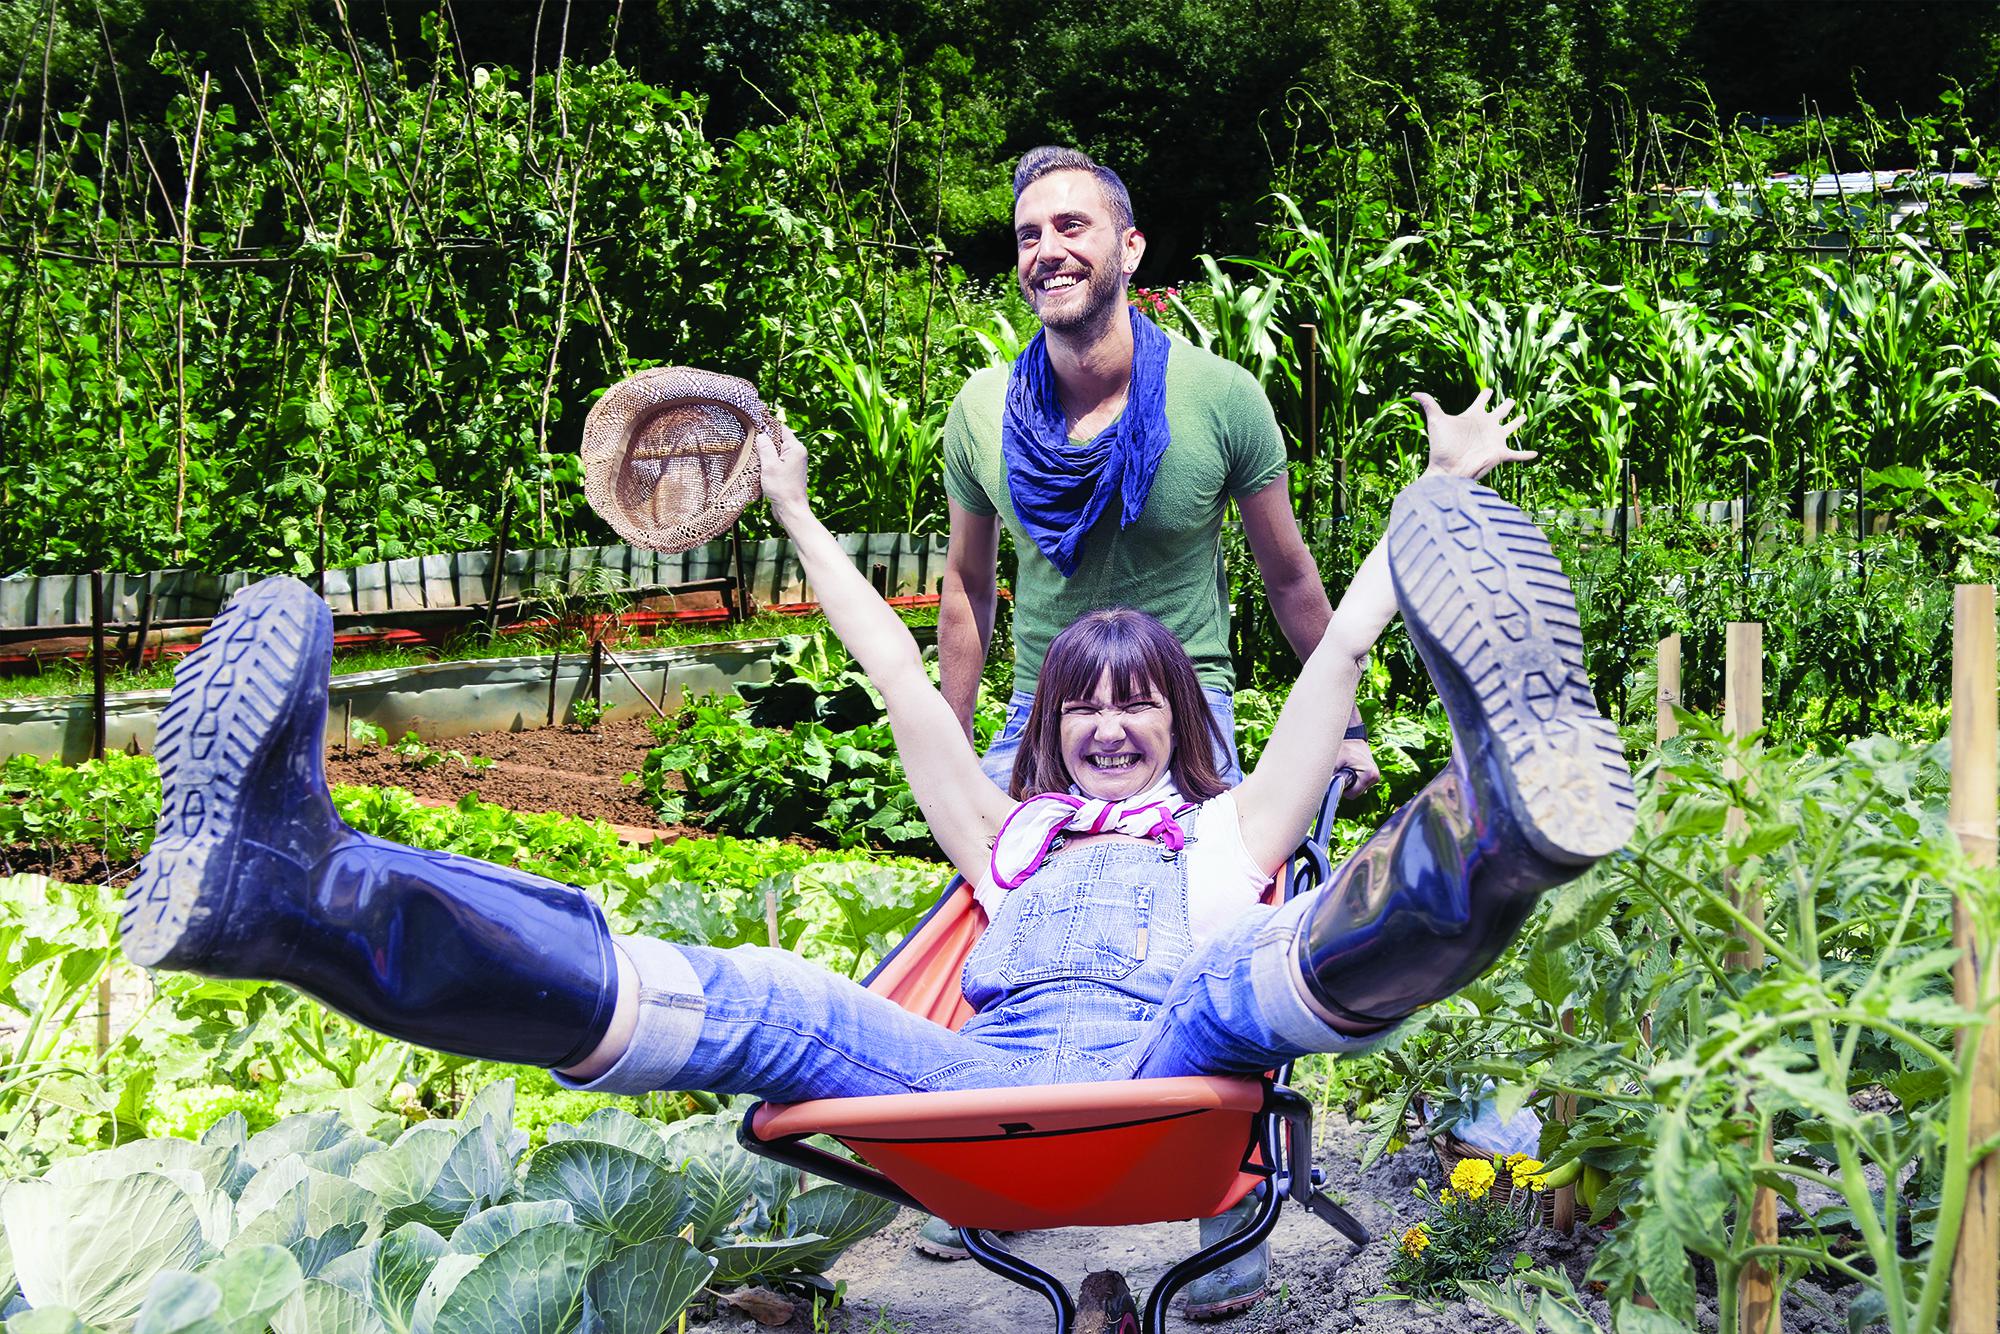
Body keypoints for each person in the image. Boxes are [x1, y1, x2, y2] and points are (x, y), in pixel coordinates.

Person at [121, 406, 1633, 1314]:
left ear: (1182, 725)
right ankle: (294, 892)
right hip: (982, 1090)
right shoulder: (1005, 831)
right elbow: (897, 671)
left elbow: (1338, 652)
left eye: (1141, 706)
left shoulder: (1232, 826)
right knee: (773, 990)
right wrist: (786, 502)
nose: (1111, 729)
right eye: (1084, 705)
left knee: (1255, 966)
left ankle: (1501, 826)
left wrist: (1435, 501)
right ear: (1054, 732)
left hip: (1178, 1057)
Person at [939, 147, 1379, 805]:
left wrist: (1348, 728)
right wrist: (952, 745)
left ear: (1131, 248)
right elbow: (968, 586)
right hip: (1045, 711)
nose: (1046, 251)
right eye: (1029, 235)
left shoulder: (1220, 396)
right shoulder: (981, 409)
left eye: (1071, 226)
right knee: (1008, 897)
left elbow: (1289, 577)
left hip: (1186, 707)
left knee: (1204, 897)